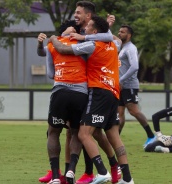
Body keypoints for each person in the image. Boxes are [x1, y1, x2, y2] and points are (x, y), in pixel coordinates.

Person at [50, 15, 135, 184]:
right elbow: (114, 37)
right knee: (114, 136)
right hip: (114, 94)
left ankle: (102, 171)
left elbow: (64, 49)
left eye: (88, 26)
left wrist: (53, 37)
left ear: (95, 31)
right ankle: (127, 178)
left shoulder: (91, 45)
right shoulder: (115, 44)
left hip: (99, 92)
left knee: (83, 133)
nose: (85, 28)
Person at [38, 19, 119, 184]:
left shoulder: (59, 44)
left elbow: (50, 72)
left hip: (67, 91)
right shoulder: (89, 44)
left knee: (59, 132)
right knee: (78, 132)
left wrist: (51, 40)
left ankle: (56, 175)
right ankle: (72, 170)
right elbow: (111, 40)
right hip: (85, 92)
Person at [116, 25, 156, 147]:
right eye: (119, 31)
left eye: (122, 32)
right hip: (122, 86)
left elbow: (135, 67)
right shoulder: (123, 48)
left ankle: (151, 135)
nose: (119, 33)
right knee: (120, 112)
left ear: (129, 35)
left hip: (129, 85)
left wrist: (121, 80)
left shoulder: (130, 48)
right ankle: (116, 139)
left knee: (133, 111)